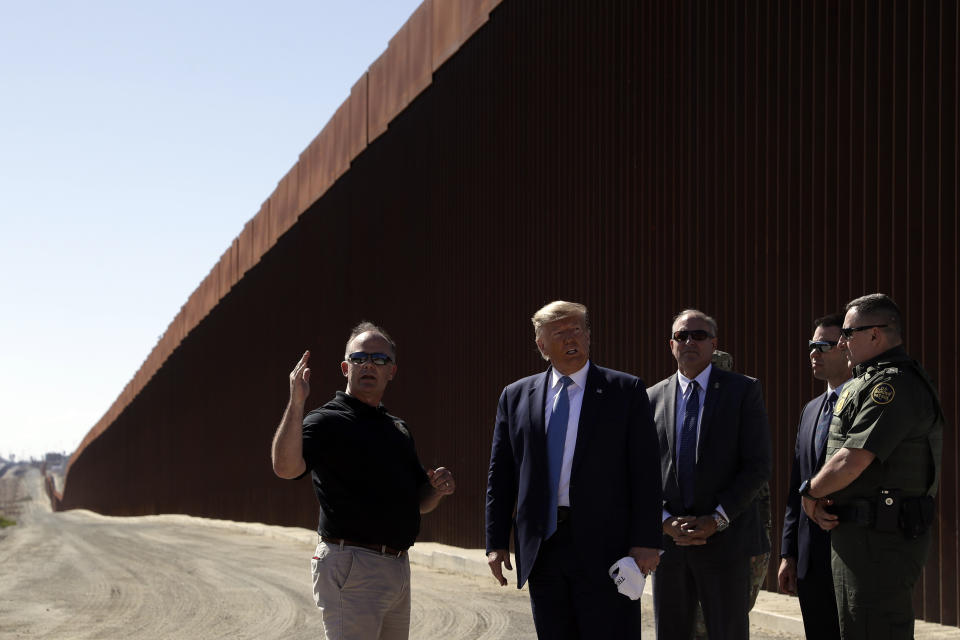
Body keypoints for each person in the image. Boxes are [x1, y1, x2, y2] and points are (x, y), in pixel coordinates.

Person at [484, 300, 662, 639]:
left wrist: (646, 540)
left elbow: (646, 472)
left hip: (607, 549)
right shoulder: (517, 395)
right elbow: (502, 473)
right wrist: (495, 542)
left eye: (577, 330)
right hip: (543, 546)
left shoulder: (624, 391)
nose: (571, 339)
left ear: (589, 336)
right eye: (560, 333)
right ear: (541, 344)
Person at [271, 322, 456, 640]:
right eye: (359, 358)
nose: (369, 364)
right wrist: (297, 402)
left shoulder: (397, 429)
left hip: (397, 566)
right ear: (346, 367)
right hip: (352, 564)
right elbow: (285, 468)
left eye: (379, 359)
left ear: (392, 371)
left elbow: (419, 503)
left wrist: (438, 490)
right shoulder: (327, 420)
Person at [801, 294, 943, 640]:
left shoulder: (892, 384)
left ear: (876, 335)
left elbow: (853, 459)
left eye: (847, 333)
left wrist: (810, 493)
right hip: (858, 537)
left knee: (873, 628)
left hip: (880, 542)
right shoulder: (867, 380)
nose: (840, 343)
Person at [647, 309, 771, 640]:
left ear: (713, 343)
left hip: (725, 544)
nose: (689, 341)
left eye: (699, 335)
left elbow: (757, 465)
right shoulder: (651, 398)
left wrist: (715, 519)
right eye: (682, 336)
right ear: (671, 344)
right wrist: (664, 522)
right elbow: (641, 472)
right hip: (670, 546)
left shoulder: (743, 391)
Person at [778, 314, 850, 639]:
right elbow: (797, 488)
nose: (814, 353)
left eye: (824, 345)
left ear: (847, 348)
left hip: (851, 554)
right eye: (811, 345)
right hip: (810, 561)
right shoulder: (811, 410)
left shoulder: (865, 404)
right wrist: (788, 554)